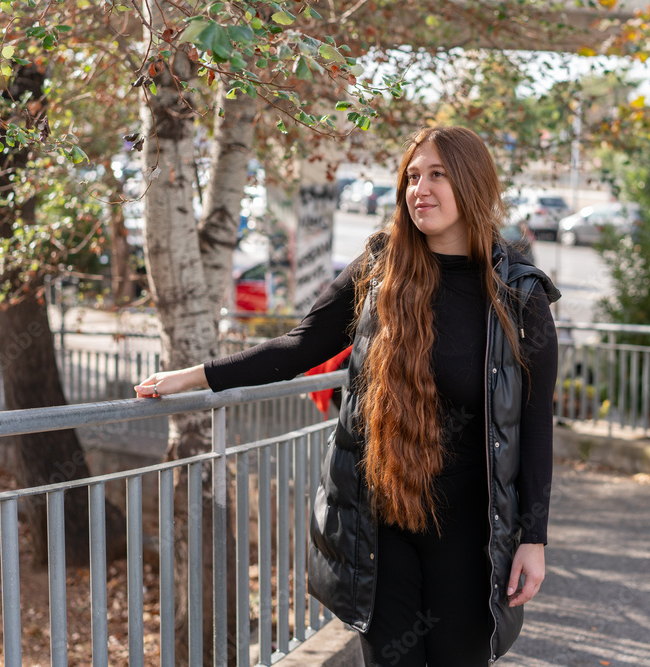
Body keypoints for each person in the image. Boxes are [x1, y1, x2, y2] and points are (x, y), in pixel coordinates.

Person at [135, 126, 560, 665]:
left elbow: (535, 424)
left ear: (473, 183)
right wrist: (195, 376)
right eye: (411, 176)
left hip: (472, 533)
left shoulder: (519, 295)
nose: (418, 189)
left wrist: (533, 539)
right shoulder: (383, 267)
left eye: (437, 175)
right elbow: (300, 346)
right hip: (380, 523)